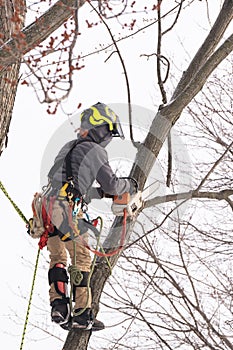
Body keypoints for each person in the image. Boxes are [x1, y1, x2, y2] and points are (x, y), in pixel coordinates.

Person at [46, 102, 136, 331]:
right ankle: (82, 315)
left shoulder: (69, 146)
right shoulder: (95, 151)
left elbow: (76, 185)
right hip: (66, 208)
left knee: (57, 257)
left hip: (46, 207)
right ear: (101, 129)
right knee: (82, 259)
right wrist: (130, 185)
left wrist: (99, 193)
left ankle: (59, 307)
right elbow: (113, 185)